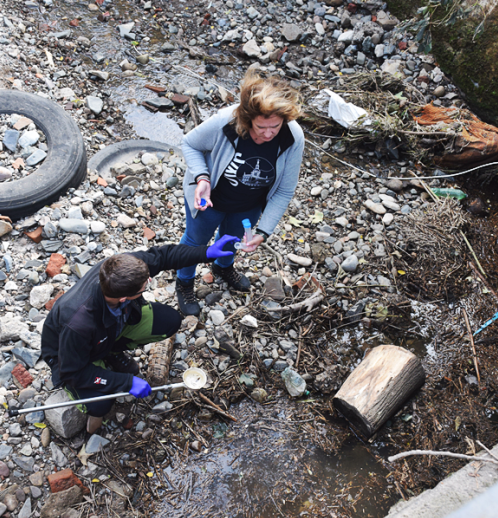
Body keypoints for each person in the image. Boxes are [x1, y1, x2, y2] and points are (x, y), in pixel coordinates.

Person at [41, 237, 237, 434]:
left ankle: (111, 351)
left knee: (169, 320)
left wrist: (206, 252)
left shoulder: (121, 269)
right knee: (100, 405)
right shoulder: (78, 323)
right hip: (69, 355)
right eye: (144, 287)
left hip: (106, 331)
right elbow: (73, 372)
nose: (148, 282)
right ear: (124, 298)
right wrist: (127, 382)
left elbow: (164, 256)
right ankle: (101, 367)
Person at [175, 69, 305, 316]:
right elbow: (190, 143)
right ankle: (184, 282)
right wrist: (202, 177)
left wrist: (264, 231)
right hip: (210, 199)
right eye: (261, 127)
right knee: (195, 242)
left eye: (274, 127)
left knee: (234, 238)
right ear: (248, 119)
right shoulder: (226, 121)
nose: (268, 134)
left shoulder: (293, 136)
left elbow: (285, 190)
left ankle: (223, 267)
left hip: (249, 203)